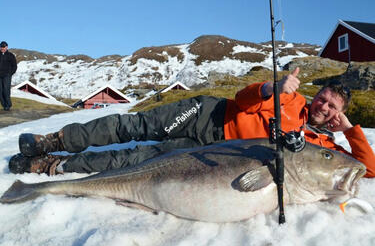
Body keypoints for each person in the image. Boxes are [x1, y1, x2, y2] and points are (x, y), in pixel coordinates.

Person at [8, 67, 375, 178]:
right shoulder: (290, 97)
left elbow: (368, 170)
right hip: (208, 115)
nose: (324, 107)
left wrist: (352, 132)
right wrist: (270, 87)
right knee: (134, 127)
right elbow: (243, 99)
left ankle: (54, 165)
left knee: (139, 160)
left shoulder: (323, 147)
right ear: (318, 95)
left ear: (337, 115)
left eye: (332, 108)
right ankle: (53, 140)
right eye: (323, 99)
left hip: (212, 152)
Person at [0, 41, 17, 111]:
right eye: (1, 47)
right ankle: (4, 105)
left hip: (7, 76)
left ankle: (8, 105)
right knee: (0, 91)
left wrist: (10, 74)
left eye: (4, 47)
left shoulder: (10, 55)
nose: (2, 48)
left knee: (6, 90)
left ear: (6, 47)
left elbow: (14, 66)